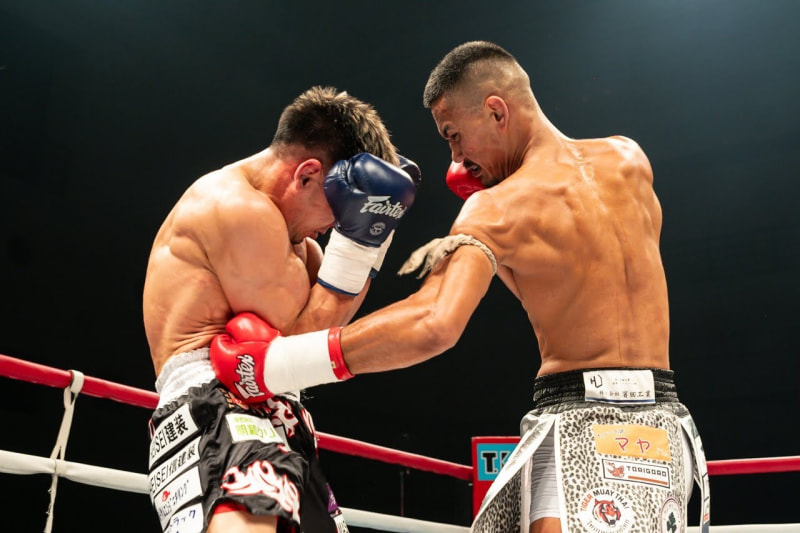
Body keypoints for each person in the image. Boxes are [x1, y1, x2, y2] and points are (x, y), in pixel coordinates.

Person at [209, 42, 710, 533]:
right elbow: (577, 280)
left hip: (587, 431)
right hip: (664, 425)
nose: (456, 157)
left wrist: (277, 364)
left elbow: (433, 322)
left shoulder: (497, 208)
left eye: (453, 135)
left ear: (496, 111)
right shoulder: (629, 160)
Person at [142, 85, 420, 533]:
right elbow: (296, 348)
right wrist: (359, 244)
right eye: (341, 208)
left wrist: (373, 240)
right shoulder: (238, 209)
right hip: (216, 407)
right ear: (308, 174)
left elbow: (326, 330)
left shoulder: (299, 242)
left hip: (279, 415)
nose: (337, 225)